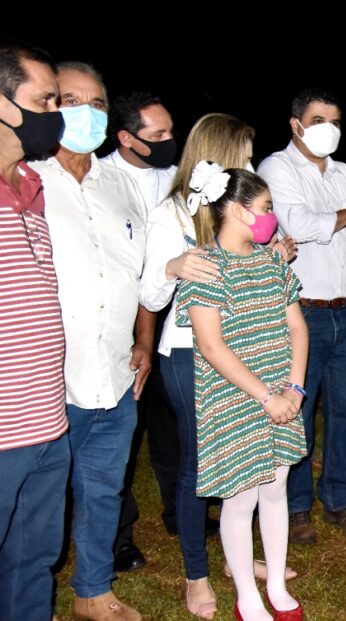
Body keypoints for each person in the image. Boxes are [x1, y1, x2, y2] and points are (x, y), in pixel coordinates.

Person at [141, 112, 297, 618]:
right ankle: (197, 574)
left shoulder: (242, 204)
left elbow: (260, 265)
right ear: (218, 156)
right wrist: (173, 267)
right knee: (202, 463)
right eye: (245, 155)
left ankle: (239, 558)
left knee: (253, 465)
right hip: (193, 352)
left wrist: (276, 254)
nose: (252, 163)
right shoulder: (172, 214)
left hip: (252, 350)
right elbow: (149, 295)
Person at [34, 61, 147, 621]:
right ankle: (29, 600)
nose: (87, 113)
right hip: (45, 379)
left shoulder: (122, 185)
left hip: (114, 372)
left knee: (104, 490)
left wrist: (144, 341)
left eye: (97, 103)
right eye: (71, 101)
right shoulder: (26, 178)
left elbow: (142, 275)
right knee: (37, 503)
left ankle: (93, 591)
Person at [177, 164, 308, 621]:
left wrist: (294, 388)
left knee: (275, 487)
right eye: (266, 207)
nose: (272, 216)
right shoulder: (205, 268)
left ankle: (275, 583)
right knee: (241, 496)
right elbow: (211, 345)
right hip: (235, 397)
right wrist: (266, 397)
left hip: (282, 392)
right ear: (236, 210)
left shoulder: (273, 261)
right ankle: (246, 595)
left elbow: (297, 327)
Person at [259, 87, 346, 545]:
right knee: (297, 411)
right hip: (301, 314)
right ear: (295, 124)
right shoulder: (276, 168)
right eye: (317, 120)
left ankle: (338, 498)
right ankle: (296, 507)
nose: (328, 129)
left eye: (334, 121)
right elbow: (300, 225)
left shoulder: (344, 171)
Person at [0, 42, 69, 621]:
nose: (55, 114)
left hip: (47, 418)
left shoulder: (31, 186)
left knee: (34, 559)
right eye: (44, 100)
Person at [102, 90, 179, 574]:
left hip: (170, 310)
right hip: (121, 315)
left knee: (172, 420)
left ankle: (181, 510)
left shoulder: (174, 177)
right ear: (127, 138)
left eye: (171, 130)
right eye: (159, 134)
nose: (170, 140)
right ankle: (118, 535)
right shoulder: (102, 181)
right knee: (122, 432)